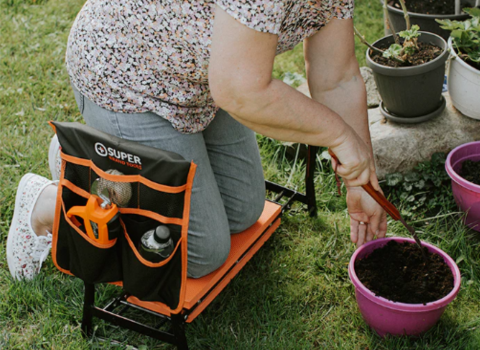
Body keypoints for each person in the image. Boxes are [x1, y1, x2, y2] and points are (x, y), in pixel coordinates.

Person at [7, 0, 388, 281]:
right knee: (201, 252)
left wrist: (363, 179)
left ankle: (111, 169)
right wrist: (339, 135)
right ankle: (55, 196)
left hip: (204, 80)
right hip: (126, 81)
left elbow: (337, 75)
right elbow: (241, 92)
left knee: (244, 210)